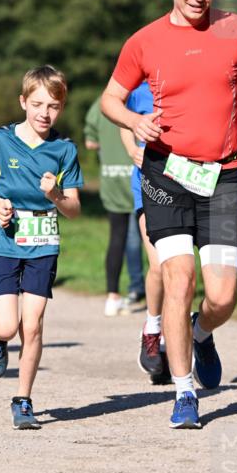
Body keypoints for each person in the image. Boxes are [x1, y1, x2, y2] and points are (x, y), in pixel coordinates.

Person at [102, 0, 237, 430]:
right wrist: (133, 121)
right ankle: (183, 392)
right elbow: (111, 98)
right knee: (179, 279)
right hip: (166, 174)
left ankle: (200, 332)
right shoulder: (144, 41)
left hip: (223, 175)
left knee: (223, 297)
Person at [0, 65, 82, 430]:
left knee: (32, 326)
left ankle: (23, 400)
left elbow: (74, 209)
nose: (45, 113)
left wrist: (55, 194)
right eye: (37, 104)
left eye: (53, 106)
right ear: (23, 102)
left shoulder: (64, 149)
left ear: (61, 108)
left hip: (44, 244)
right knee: (7, 326)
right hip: (5, 241)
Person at [119, 81, 170, 384]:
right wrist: (131, 150)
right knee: (160, 265)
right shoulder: (140, 89)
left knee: (182, 271)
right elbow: (123, 119)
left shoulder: (193, 79)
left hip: (189, 181)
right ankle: (152, 329)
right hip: (148, 181)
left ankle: (176, 342)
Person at [83, 96, 144, 316]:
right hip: (138, 176)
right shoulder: (140, 98)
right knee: (143, 238)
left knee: (117, 237)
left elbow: (90, 143)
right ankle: (140, 288)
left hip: (111, 180)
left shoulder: (100, 103)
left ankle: (112, 296)